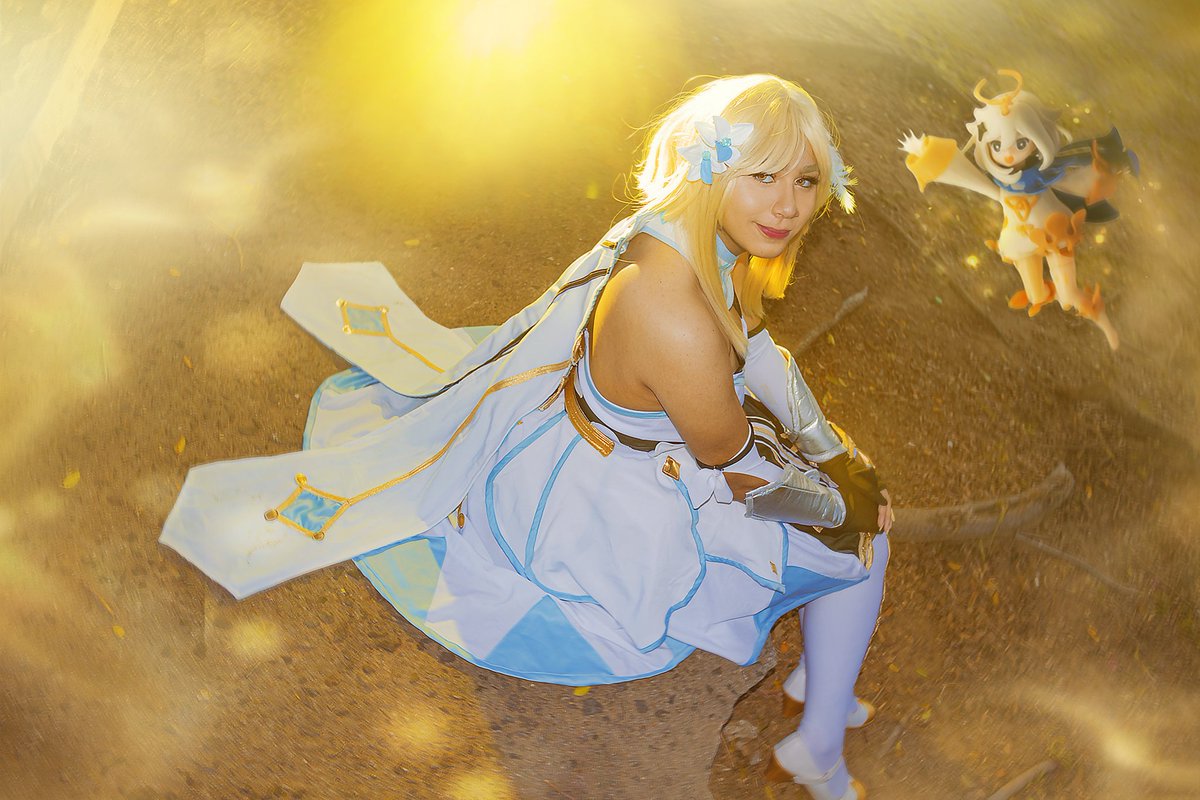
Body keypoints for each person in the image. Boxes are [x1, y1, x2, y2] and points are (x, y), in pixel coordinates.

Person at [161, 74, 892, 800]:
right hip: (607, 515)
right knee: (863, 547)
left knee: (845, 482)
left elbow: (759, 349)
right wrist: (848, 505)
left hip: (577, 447)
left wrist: (835, 454)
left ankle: (821, 681)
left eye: (805, 181)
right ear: (715, 167)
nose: (788, 205)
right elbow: (741, 472)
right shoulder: (678, 317)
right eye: (762, 176)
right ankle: (817, 743)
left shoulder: (679, 228)